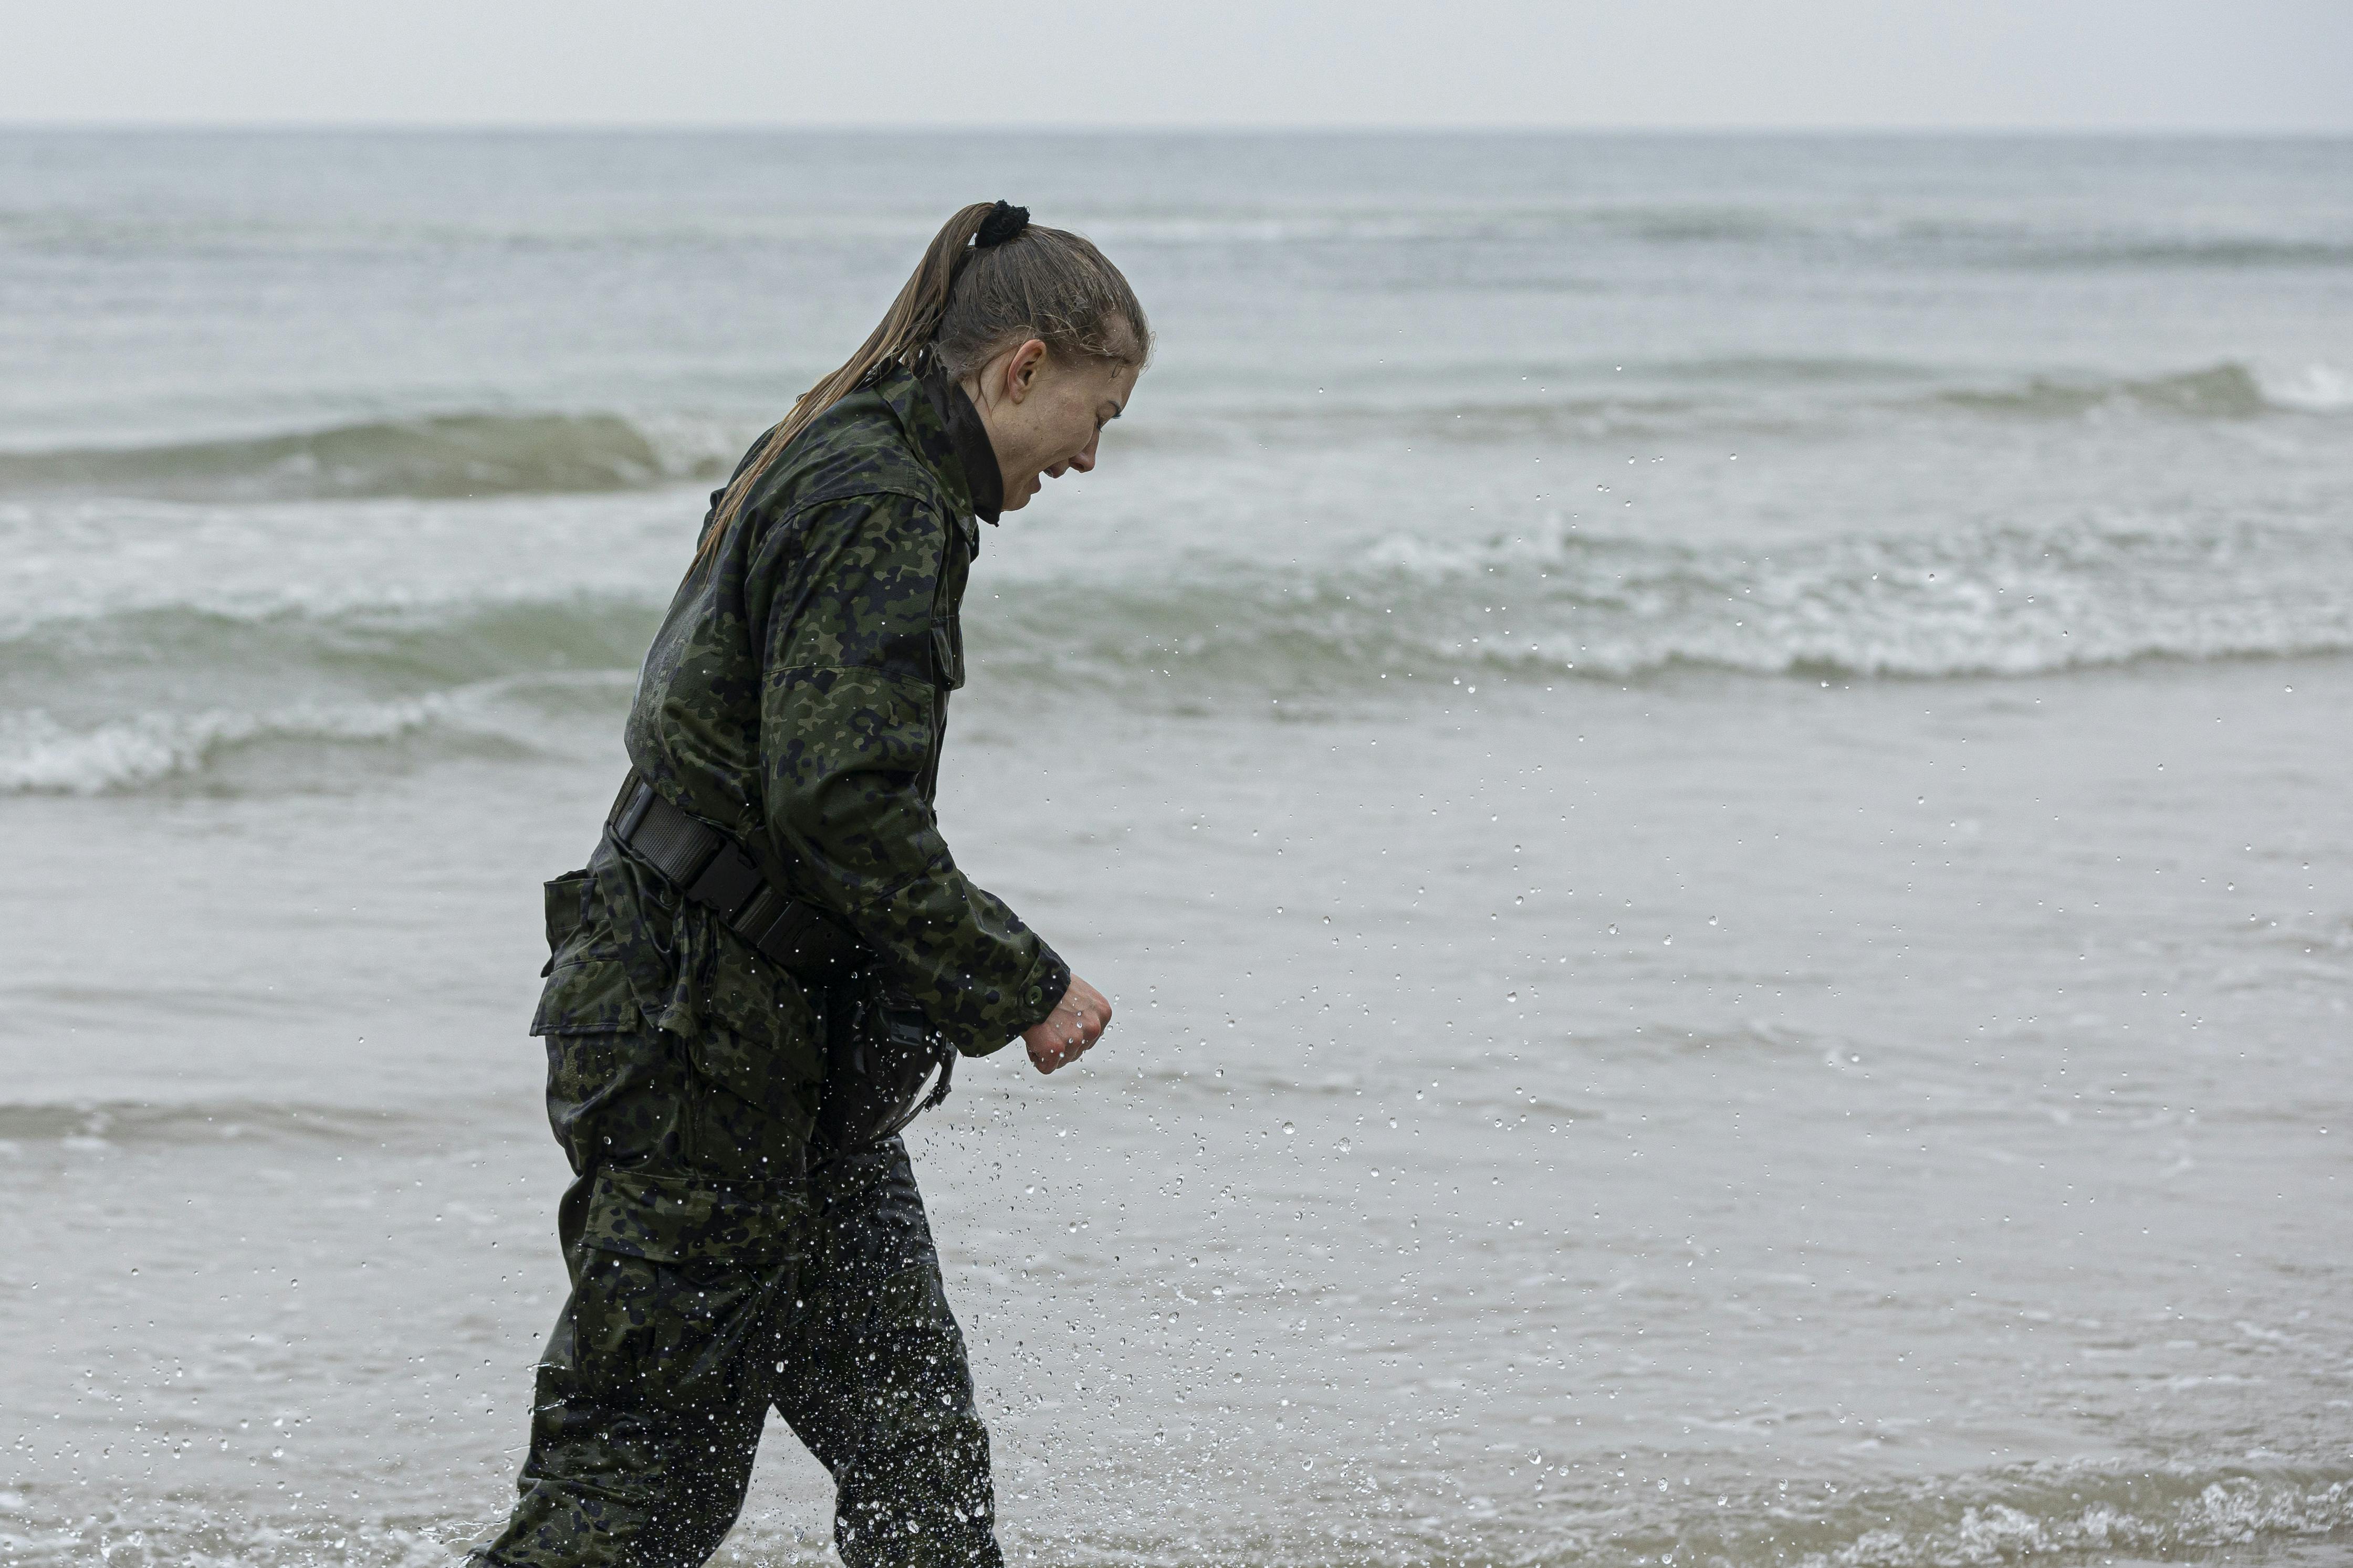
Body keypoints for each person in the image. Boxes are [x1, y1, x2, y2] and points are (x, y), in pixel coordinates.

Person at [472, 201, 1147, 1568]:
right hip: (689, 1050)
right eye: (1098, 412)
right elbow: (835, 801)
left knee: (919, 1461)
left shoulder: (854, 451)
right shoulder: (877, 496)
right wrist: (1020, 982)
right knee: (636, 1492)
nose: (1089, 454)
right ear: (1020, 368)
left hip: (780, 1050)